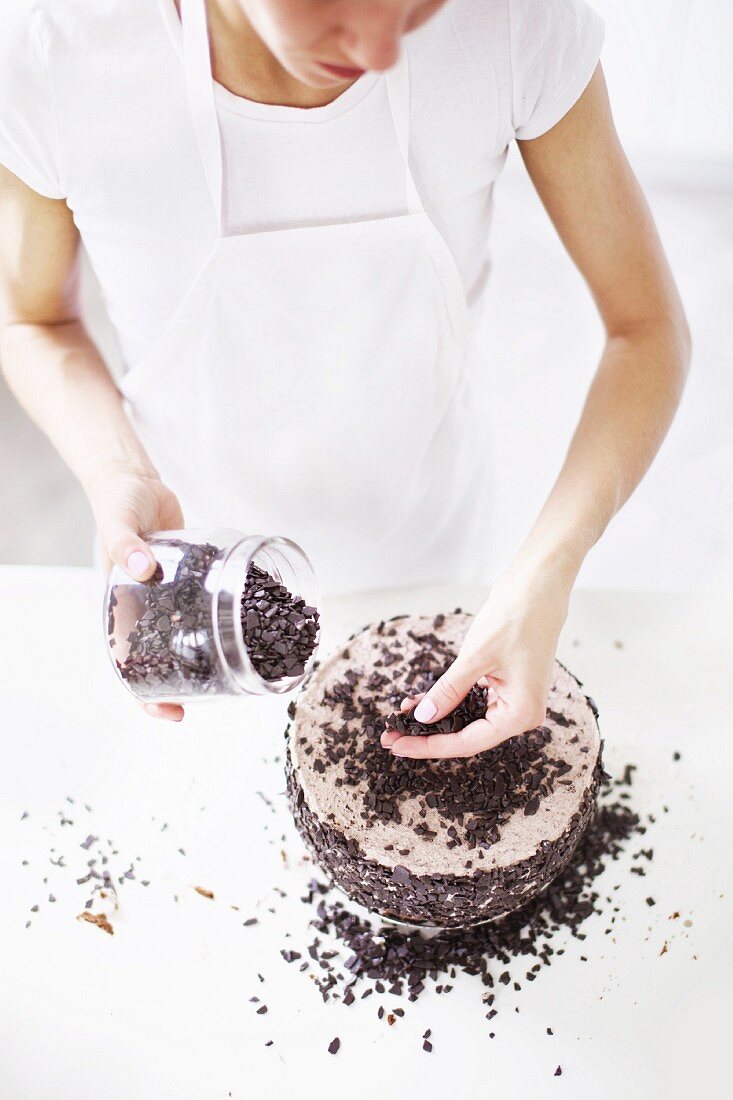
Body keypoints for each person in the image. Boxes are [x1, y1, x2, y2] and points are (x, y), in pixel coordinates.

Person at [0, 0, 690, 750]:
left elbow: (645, 329)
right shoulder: (53, 57)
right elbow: (33, 321)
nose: (382, 49)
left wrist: (543, 573)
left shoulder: (511, 22)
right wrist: (114, 473)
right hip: (186, 574)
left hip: (436, 541)